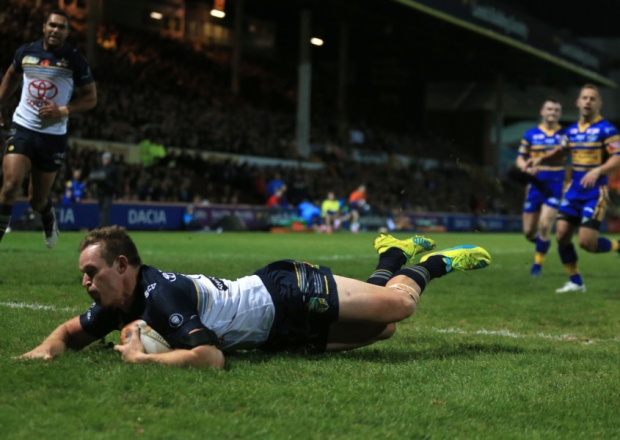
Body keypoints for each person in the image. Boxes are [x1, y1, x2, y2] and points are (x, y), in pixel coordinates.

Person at [16, 226, 491, 368]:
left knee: (400, 309)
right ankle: (391, 254)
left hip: (282, 293)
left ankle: (434, 263)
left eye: (91, 272)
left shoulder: (162, 296)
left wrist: (142, 360)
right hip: (274, 336)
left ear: (121, 267)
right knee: (381, 330)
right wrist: (46, 348)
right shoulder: (118, 303)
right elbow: (69, 332)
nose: (85, 283)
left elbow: (210, 357)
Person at [0, 9, 97, 247]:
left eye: (61, 27)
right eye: (52, 25)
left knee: (37, 199)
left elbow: (91, 98)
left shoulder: (74, 59)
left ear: (67, 31)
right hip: (23, 127)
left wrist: (62, 111)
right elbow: (12, 75)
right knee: (10, 186)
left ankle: (47, 214)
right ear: (44, 26)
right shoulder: (26, 52)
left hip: (52, 136)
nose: (55, 30)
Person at [526, 84, 620, 293]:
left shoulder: (607, 129)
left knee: (588, 243)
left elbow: (617, 157)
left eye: (592, 99)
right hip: (574, 191)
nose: (588, 101)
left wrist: (597, 171)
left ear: (599, 104)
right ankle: (576, 282)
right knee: (561, 236)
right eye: (584, 98)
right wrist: (539, 159)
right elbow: (560, 152)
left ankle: (618, 246)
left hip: (595, 192)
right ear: (578, 102)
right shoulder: (572, 131)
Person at [515, 99, 566, 277]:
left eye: (556, 110)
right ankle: (542, 243)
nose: (553, 112)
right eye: (550, 109)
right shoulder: (530, 134)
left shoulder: (564, 135)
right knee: (529, 232)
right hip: (535, 186)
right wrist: (526, 167)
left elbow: (563, 154)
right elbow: (520, 158)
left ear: (559, 114)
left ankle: (537, 266)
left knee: (545, 225)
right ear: (542, 112)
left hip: (554, 185)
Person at [89, 152, 117, 227]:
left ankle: (101, 226)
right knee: (102, 210)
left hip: (108, 193)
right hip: (100, 192)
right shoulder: (100, 167)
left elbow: (106, 177)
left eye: (106, 159)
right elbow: (95, 177)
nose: (105, 160)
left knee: (105, 210)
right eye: (104, 158)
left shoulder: (112, 168)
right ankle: (106, 226)